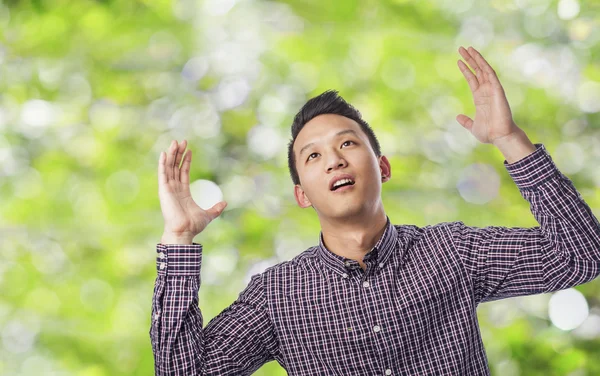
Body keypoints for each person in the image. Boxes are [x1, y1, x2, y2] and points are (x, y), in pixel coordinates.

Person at [149, 46, 600, 375]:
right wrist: (179, 240)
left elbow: (582, 256)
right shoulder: (277, 297)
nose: (335, 160)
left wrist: (509, 138)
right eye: (313, 156)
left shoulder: (452, 251)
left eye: (347, 143)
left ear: (382, 167)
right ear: (302, 195)